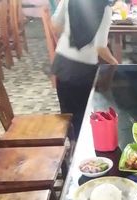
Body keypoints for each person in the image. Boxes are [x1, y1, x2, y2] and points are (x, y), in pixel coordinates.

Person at [51, 0, 118, 139]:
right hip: (83, 70)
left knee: (67, 114)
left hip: (62, 63)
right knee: (83, 115)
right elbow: (100, 47)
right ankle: (81, 151)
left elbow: (56, 25)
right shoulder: (105, 9)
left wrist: (71, 38)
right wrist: (114, 61)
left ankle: (72, 147)